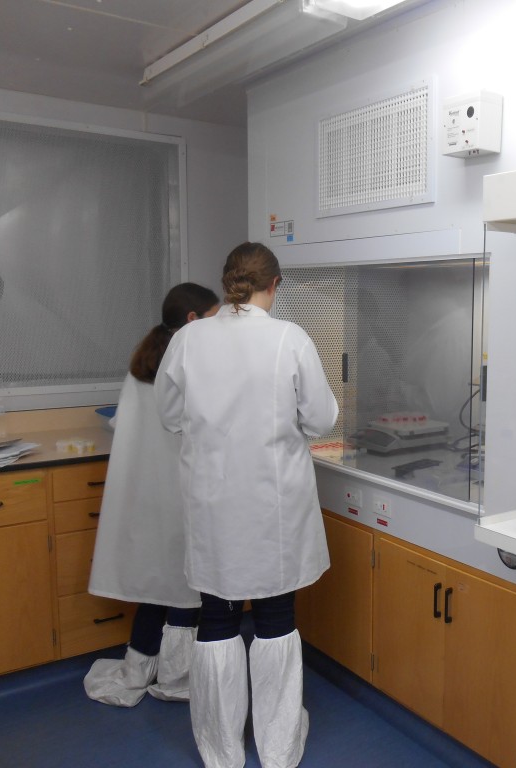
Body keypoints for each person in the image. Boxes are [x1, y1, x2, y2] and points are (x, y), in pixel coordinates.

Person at [156, 242, 339, 768]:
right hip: (273, 508)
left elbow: (169, 415)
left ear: (228, 281)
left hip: (212, 505)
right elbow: (322, 419)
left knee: (216, 619)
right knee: (276, 619)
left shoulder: (189, 339)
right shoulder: (290, 338)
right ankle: (278, 747)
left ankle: (222, 748)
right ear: (274, 285)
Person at [83, 282, 220, 707]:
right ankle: (178, 678)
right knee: (184, 589)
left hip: (146, 497)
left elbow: (123, 424)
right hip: (183, 495)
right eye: (215, 319)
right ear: (193, 321)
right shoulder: (191, 367)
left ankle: (140, 667)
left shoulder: (143, 363)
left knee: (155, 588)